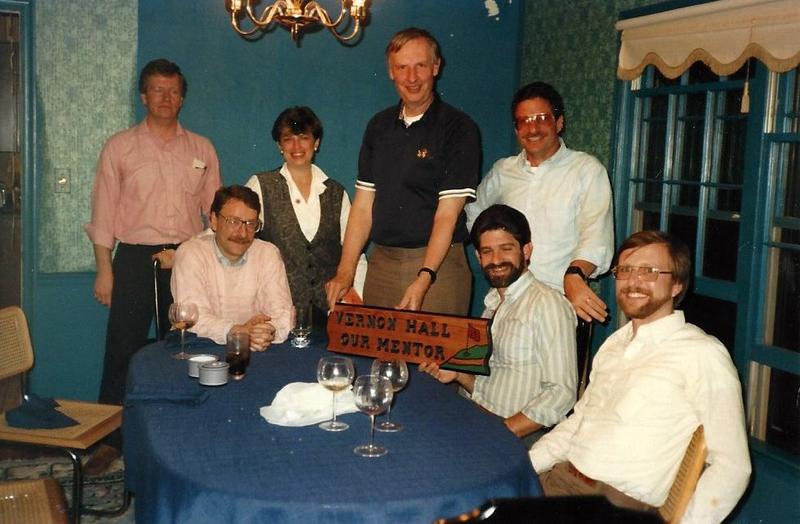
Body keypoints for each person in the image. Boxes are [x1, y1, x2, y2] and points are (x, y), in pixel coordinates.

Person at [529, 230, 751, 523]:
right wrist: (524, 465)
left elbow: (733, 466)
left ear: (676, 285)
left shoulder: (701, 353)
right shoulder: (615, 344)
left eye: (649, 271)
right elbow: (578, 423)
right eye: (625, 270)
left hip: (609, 507)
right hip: (559, 481)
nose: (633, 281)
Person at [83, 58, 220, 472]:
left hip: (185, 257)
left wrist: (190, 254)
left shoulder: (201, 149)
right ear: (143, 96)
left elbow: (213, 215)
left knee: (183, 349)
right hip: (135, 258)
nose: (166, 98)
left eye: (174, 91)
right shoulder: (119, 147)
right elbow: (104, 212)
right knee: (121, 352)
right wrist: (105, 270)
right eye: (158, 90)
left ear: (182, 97)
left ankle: (180, 436)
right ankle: (110, 442)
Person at [325, 27, 481, 316]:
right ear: (390, 72)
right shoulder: (378, 126)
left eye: (420, 66)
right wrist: (345, 271)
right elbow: (362, 206)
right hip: (382, 263)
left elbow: (447, 215)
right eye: (402, 67)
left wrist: (424, 278)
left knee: (433, 360)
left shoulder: (459, 128)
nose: (411, 78)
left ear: (436, 67)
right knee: (377, 359)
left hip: (438, 267)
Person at [419, 204, 577, 442]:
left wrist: (501, 433)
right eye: (487, 251)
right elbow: (491, 389)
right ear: (478, 257)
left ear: (526, 251)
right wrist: (458, 375)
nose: (496, 260)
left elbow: (561, 394)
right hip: (480, 419)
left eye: (506, 249)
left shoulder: (548, 304)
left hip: (522, 435)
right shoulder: (492, 305)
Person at [465, 81, 613, 323]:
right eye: (524, 121)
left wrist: (574, 275)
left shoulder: (586, 170)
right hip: (503, 302)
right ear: (516, 129)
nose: (532, 128)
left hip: (556, 305)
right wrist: (489, 253)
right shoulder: (503, 170)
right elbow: (473, 213)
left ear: (559, 122)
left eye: (542, 118)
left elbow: (596, 236)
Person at [245, 107, 366, 324]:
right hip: (277, 311)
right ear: (279, 145)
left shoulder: (336, 193)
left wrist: (355, 298)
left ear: (316, 142)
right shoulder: (260, 185)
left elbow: (355, 251)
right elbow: (234, 232)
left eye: (304, 138)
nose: (297, 146)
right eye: (288, 139)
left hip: (329, 313)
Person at [171, 185, 292, 348]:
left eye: (250, 224)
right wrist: (237, 331)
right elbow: (194, 318)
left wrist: (268, 331)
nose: (243, 233)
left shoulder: (268, 253)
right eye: (233, 222)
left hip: (255, 348)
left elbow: (284, 314)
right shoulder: (191, 253)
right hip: (201, 347)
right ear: (213, 220)